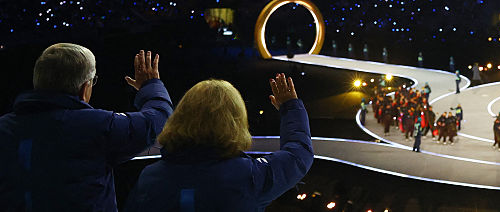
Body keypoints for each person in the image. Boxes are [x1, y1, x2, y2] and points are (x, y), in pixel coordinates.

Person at [0, 45, 172, 212]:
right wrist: (150, 85)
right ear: (85, 88)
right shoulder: (97, 125)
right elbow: (158, 118)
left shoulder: (4, 127)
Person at [126, 73, 311, 212]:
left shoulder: (150, 178)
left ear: (180, 116)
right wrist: (290, 107)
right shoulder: (249, 177)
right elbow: (298, 154)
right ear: (237, 122)